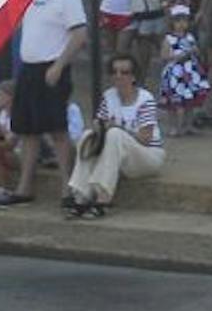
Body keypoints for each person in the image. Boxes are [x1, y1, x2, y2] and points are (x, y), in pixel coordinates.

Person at [10, 0, 87, 206]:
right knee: (28, 130)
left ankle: (68, 188)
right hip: (29, 69)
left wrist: (59, 65)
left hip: (52, 68)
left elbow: (79, 34)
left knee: (58, 130)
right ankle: (24, 188)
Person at [65, 55, 165, 218]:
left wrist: (118, 128)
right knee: (88, 135)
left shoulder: (145, 99)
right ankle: (81, 195)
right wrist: (100, 128)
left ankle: (103, 198)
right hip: (117, 157)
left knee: (115, 134)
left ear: (133, 77)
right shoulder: (109, 96)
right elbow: (98, 124)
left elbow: (146, 138)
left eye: (124, 72)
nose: (118, 76)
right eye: (114, 71)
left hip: (148, 155)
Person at [156, 5, 210, 135]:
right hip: (175, 72)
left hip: (190, 72)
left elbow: (197, 51)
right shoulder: (169, 39)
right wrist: (175, 56)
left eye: (184, 21)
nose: (181, 24)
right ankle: (174, 126)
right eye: (177, 21)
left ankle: (188, 125)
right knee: (174, 103)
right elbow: (163, 56)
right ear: (172, 23)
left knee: (189, 101)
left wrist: (196, 52)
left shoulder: (190, 37)